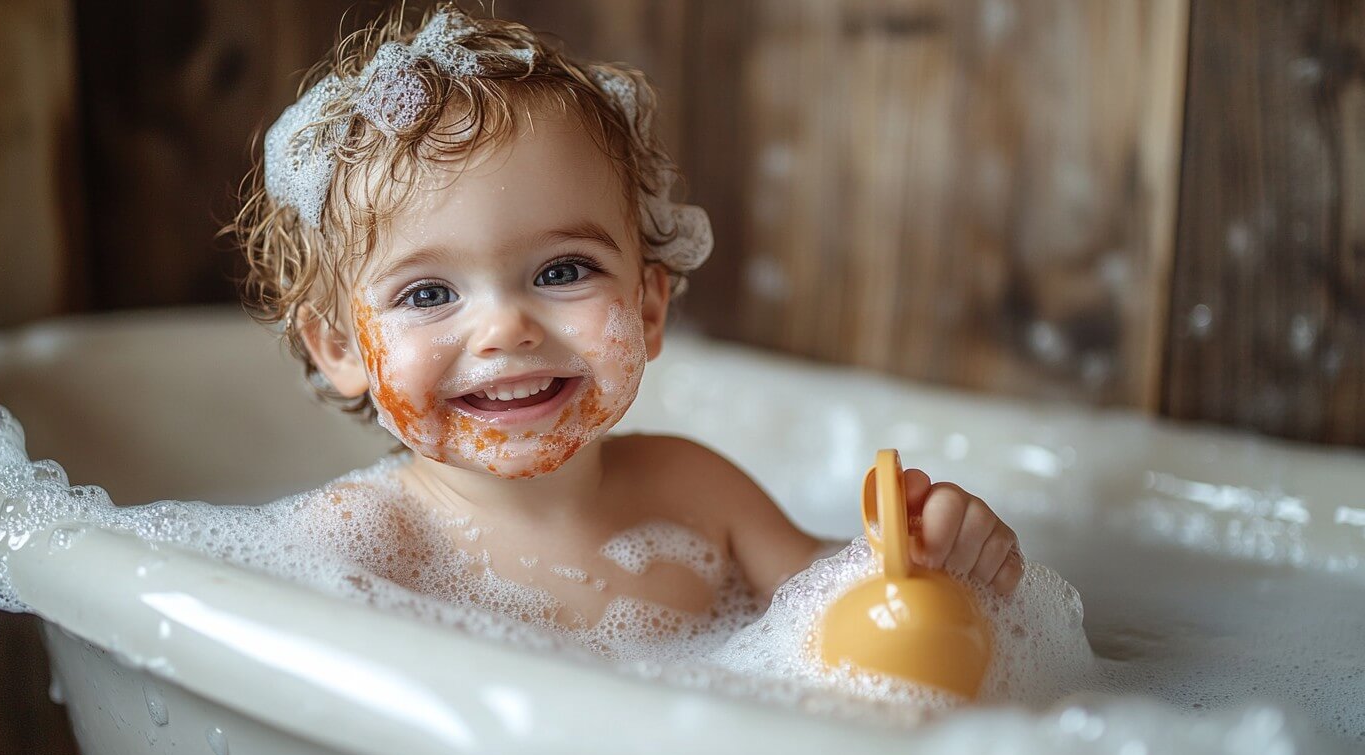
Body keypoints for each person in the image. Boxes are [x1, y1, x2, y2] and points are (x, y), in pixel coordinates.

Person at [228, 4, 1022, 639]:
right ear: (340, 347)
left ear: (647, 307)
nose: (505, 328)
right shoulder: (357, 546)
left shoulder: (698, 493)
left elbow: (842, 619)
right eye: (429, 294)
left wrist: (927, 561)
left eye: (562, 271)